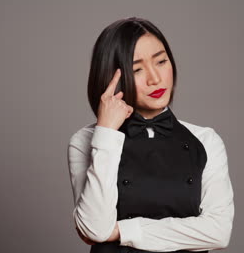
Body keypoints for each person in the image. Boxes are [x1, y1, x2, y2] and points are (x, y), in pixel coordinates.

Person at [67, 17, 234, 253]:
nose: (155, 78)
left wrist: (122, 231)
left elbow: (218, 232)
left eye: (161, 61)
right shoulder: (86, 141)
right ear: (112, 77)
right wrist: (106, 132)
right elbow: (94, 228)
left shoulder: (206, 140)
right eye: (136, 69)